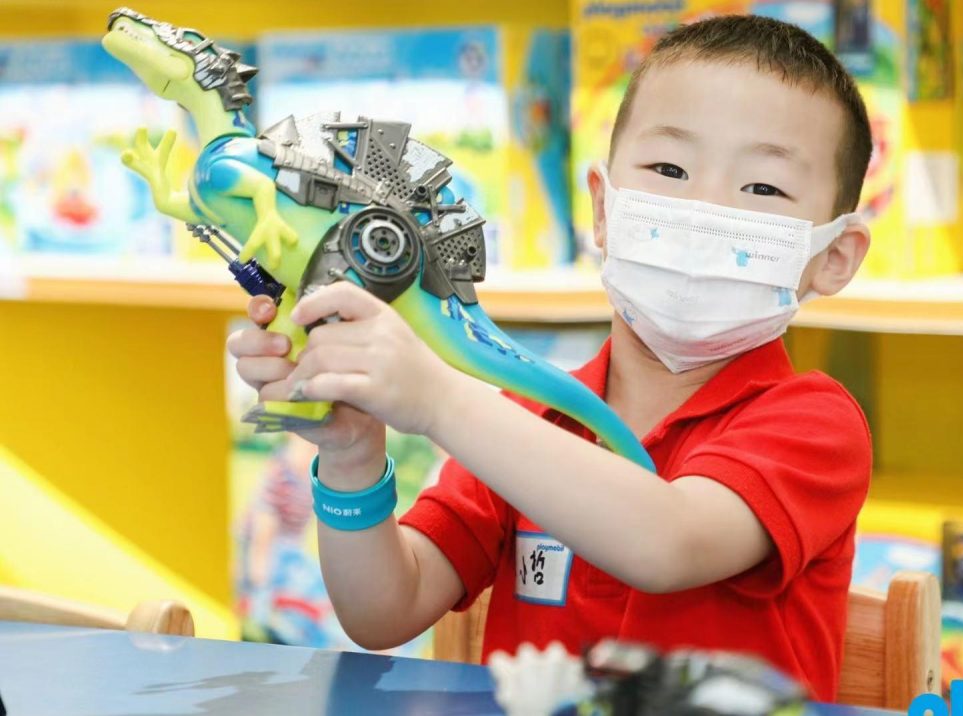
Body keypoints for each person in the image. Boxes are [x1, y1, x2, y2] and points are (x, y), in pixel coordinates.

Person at [227, 14, 874, 700]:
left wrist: (439, 398)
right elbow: (384, 610)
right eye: (670, 168)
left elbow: (666, 540)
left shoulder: (815, 425)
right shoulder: (530, 418)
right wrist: (352, 458)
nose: (703, 209)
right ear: (601, 209)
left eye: (763, 189)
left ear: (833, 256)